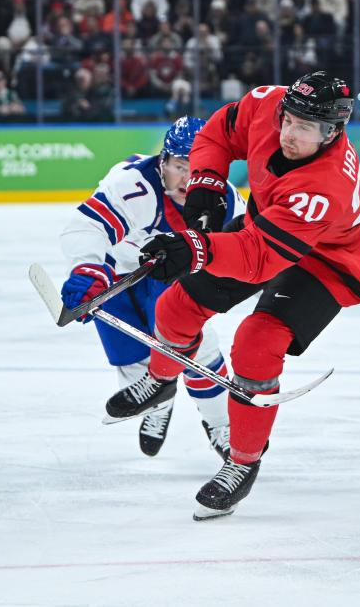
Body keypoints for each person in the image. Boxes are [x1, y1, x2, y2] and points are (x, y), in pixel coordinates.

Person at [103, 72, 360, 520]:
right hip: (267, 227)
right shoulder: (270, 104)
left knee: (256, 344)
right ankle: (161, 378)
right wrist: (207, 182)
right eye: (288, 120)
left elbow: (258, 259)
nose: (288, 133)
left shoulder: (324, 187)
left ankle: (243, 461)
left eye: (305, 128)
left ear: (332, 132)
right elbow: (218, 132)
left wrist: (195, 249)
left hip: (327, 263)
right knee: (176, 306)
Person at [59, 117, 245, 459]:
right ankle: (159, 404)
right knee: (131, 362)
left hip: (171, 275)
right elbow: (86, 226)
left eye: (198, 168)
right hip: (117, 273)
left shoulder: (228, 204)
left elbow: (246, 259)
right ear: (163, 162)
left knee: (198, 350)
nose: (188, 179)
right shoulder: (134, 185)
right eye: (180, 166)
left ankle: (221, 424)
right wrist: (87, 267)